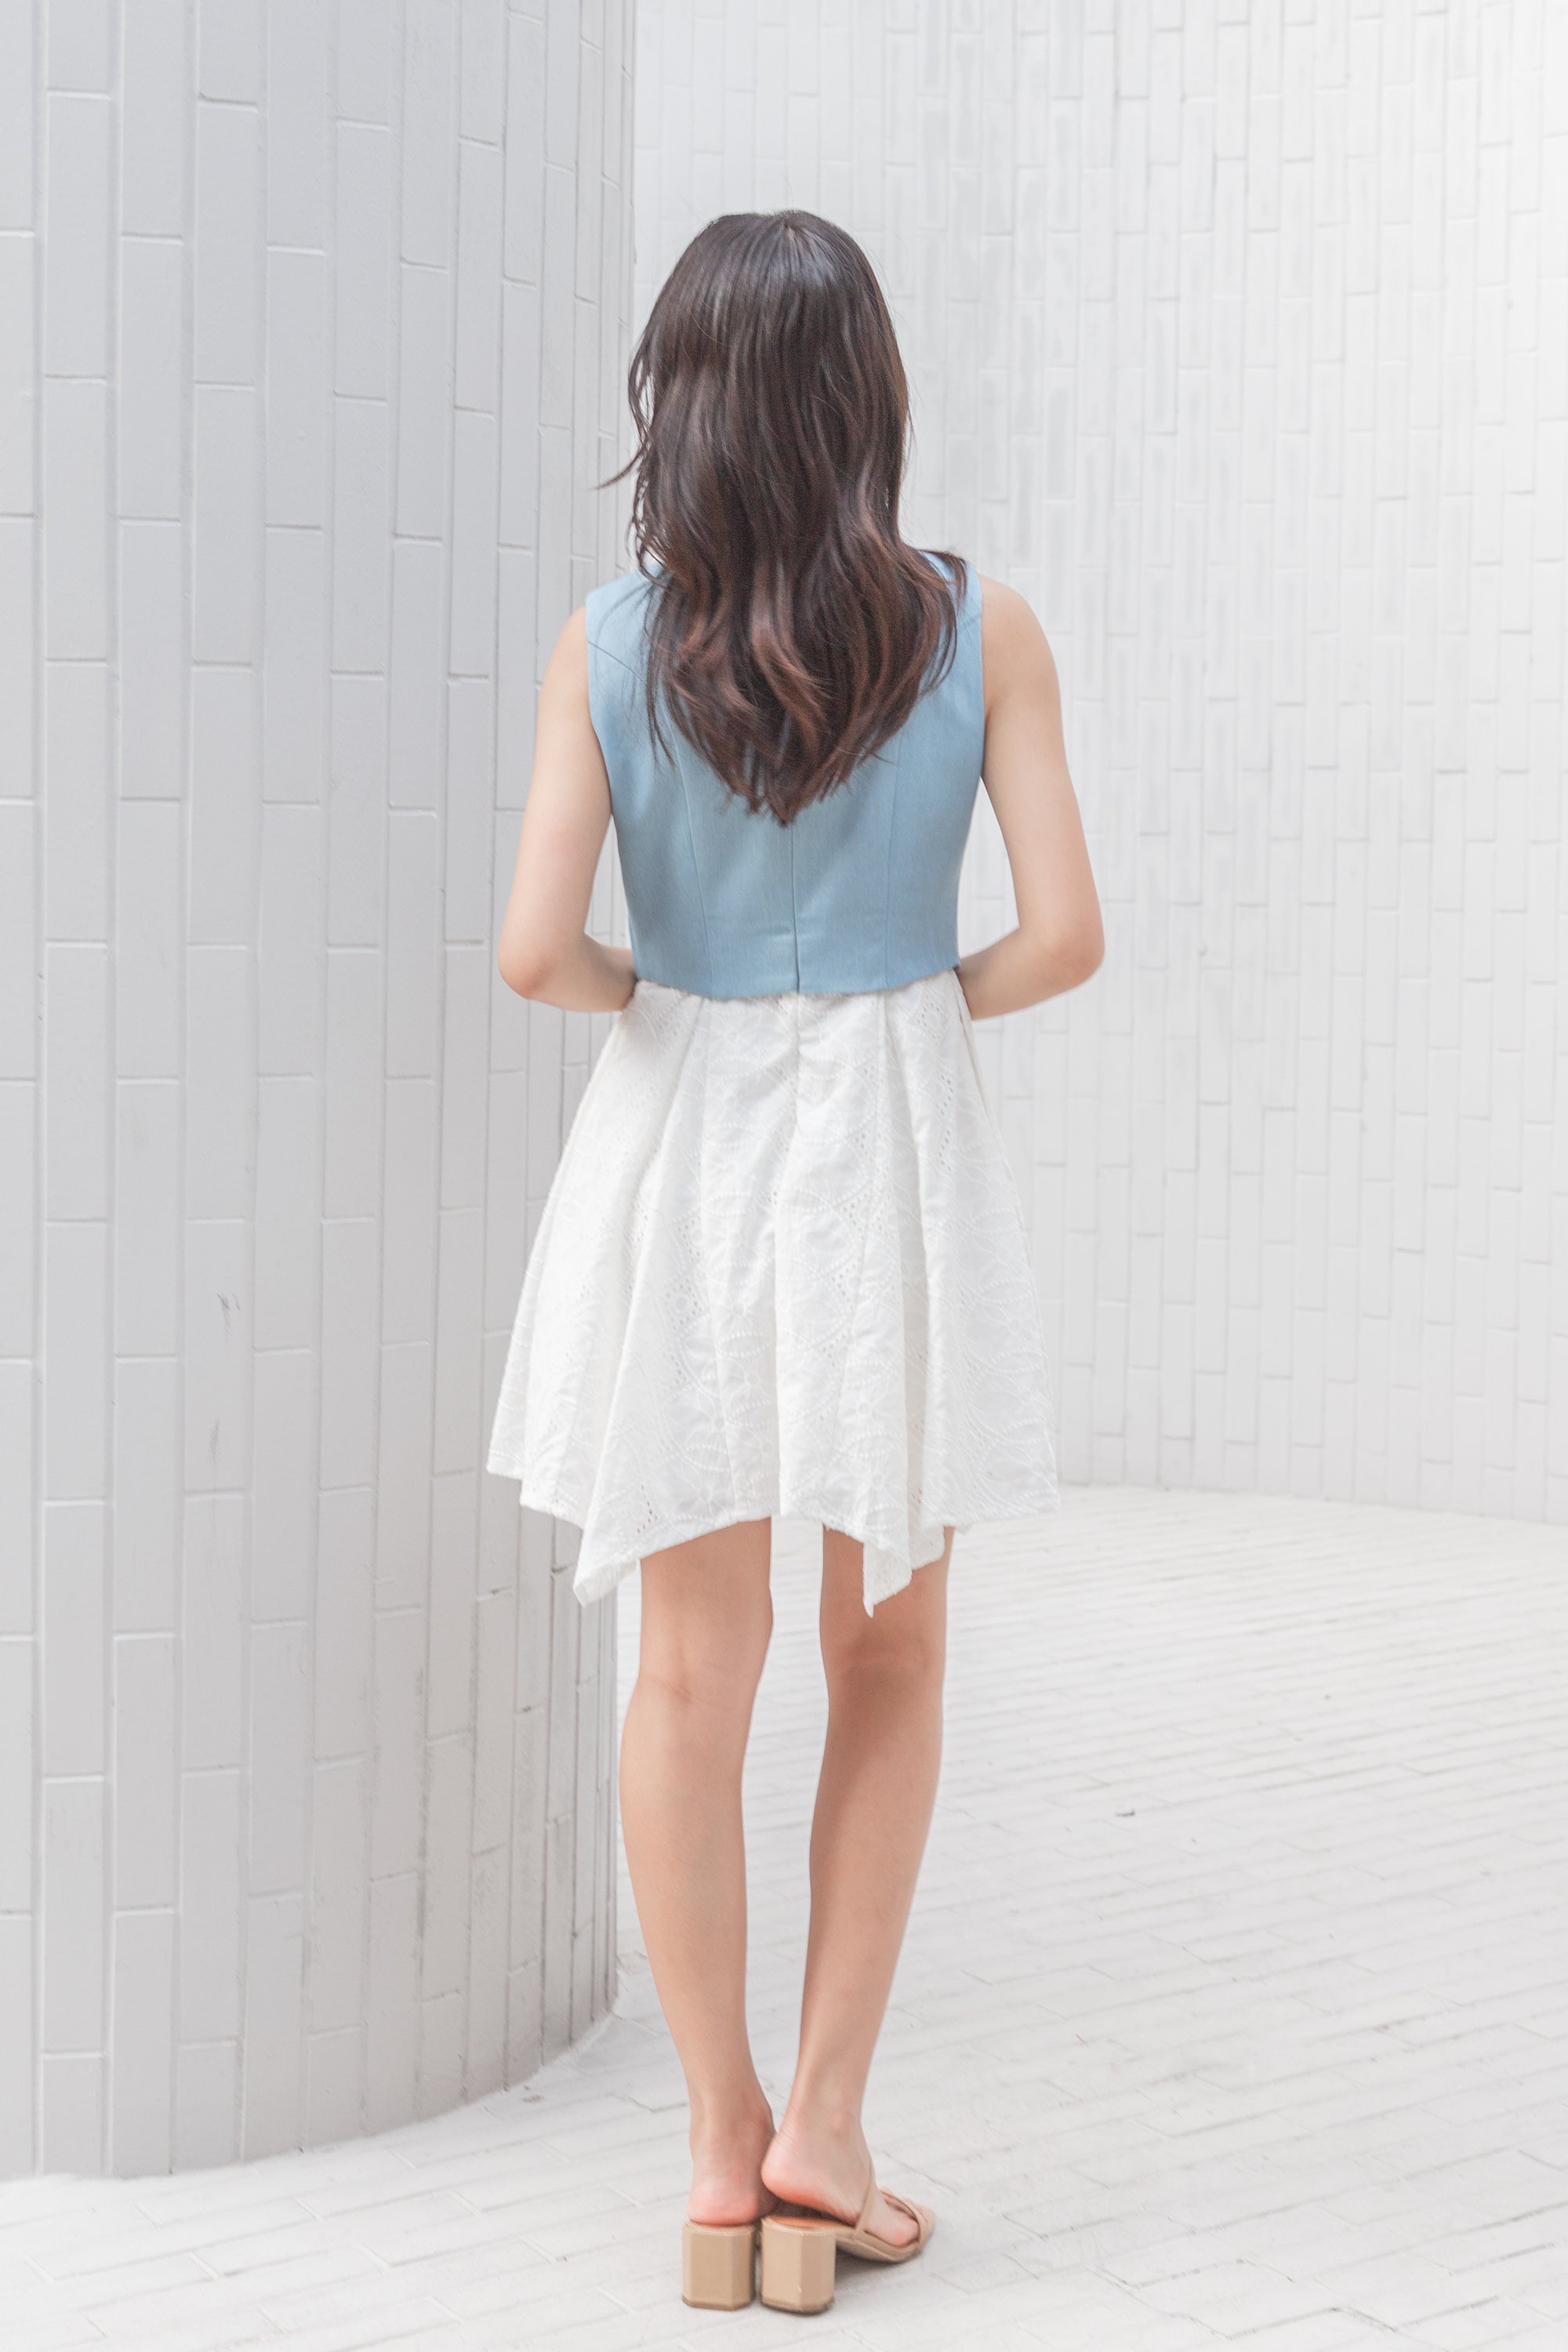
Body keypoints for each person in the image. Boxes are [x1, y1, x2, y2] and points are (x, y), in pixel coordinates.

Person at [485, 210, 1103, 2317]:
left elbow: (532, 950)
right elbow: (1064, 935)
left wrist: (672, 1001)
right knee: (890, 1651)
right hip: (889, 1150)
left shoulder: (606, 645)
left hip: (682, 1139)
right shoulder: (979, 629)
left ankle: (717, 2152)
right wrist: (909, 1012)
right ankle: (828, 2138)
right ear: (867, 401)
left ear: (680, 403)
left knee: (688, 1667)